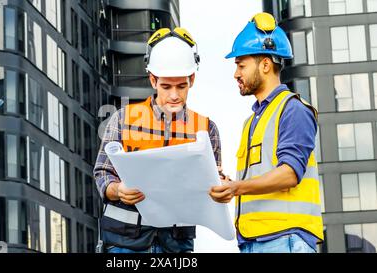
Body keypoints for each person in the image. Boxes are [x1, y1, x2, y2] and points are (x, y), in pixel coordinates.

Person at [93, 28, 222, 253]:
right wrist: (117, 189)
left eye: (181, 86)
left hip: (176, 245)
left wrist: (219, 185)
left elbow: (214, 182)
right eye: (166, 86)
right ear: (153, 80)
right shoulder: (123, 119)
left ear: (191, 79)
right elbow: (102, 173)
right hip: (124, 243)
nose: (174, 95)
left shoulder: (205, 128)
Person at [209, 12, 324, 253]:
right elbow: (255, 180)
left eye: (241, 65)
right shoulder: (251, 122)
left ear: (265, 64)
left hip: (286, 238)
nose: (236, 74)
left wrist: (236, 188)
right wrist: (229, 184)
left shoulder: (293, 109)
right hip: (254, 240)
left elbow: (290, 174)